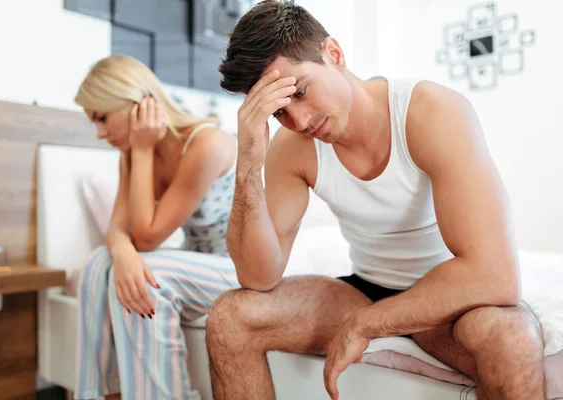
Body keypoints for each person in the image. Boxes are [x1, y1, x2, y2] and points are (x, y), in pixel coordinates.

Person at [205, 1, 546, 399]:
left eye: (299, 92)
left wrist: (367, 324)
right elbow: (258, 277)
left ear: (334, 53)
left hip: (450, 302)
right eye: (279, 113)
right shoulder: (292, 146)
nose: (298, 122)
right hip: (363, 289)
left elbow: (495, 277)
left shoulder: (430, 112)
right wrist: (248, 162)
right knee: (230, 317)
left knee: (512, 338)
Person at [72, 54, 239, 400]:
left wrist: (144, 150)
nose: (100, 134)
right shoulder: (131, 153)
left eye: (102, 118)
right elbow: (118, 229)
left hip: (240, 270)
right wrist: (122, 255)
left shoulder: (206, 143)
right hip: (197, 266)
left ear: (137, 103)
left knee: (149, 277)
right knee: (97, 264)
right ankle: (93, 394)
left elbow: (146, 237)